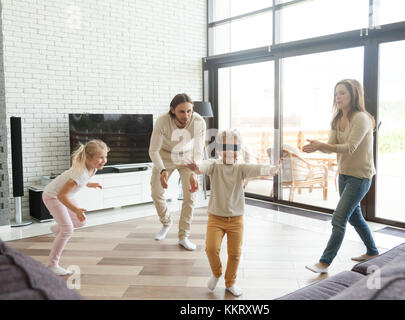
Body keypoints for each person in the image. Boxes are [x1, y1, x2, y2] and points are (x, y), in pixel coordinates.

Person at [184, 129, 282, 297]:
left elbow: (257, 168)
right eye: (225, 146)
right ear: (219, 149)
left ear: (239, 150)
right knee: (211, 249)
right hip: (216, 217)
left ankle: (230, 282)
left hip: (236, 219)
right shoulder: (214, 165)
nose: (230, 151)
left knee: (235, 254)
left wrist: (271, 169)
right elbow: (203, 166)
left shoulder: (241, 168)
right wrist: (196, 167)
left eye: (234, 147)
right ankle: (216, 273)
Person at [303, 79, 379, 273]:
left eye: (343, 93)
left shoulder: (361, 118)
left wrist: (322, 145)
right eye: (336, 93)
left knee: (339, 218)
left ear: (354, 95)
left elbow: (349, 148)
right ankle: (372, 251)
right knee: (354, 218)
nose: (338, 97)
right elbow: (331, 148)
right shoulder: (337, 119)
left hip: (360, 177)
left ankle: (324, 262)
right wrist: (317, 148)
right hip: (344, 175)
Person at [149, 93, 206, 251]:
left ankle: (183, 236)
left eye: (189, 111)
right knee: (156, 192)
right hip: (165, 156)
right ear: (172, 110)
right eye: (182, 111)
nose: (186, 116)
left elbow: (198, 151)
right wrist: (161, 170)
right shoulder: (162, 121)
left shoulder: (198, 121)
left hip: (187, 157)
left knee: (190, 196)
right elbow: (153, 150)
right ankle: (166, 223)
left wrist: (194, 172)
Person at [43, 139, 109, 276]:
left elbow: (82, 182)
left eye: (105, 156)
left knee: (80, 222)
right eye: (100, 157)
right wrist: (76, 210)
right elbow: (61, 196)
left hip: (64, 195)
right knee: (68, 230)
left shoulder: (93, 168)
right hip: (53, 196)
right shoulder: (80, 173)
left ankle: (57, 229)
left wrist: (91, 184)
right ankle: (52, 265)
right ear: (89, 157)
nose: (104, 160)